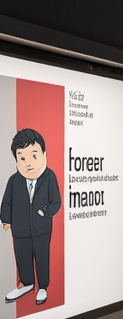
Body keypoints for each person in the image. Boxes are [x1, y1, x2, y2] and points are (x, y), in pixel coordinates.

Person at [2, 128, 61, 306]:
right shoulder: (14, 180)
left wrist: (45, 211)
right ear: (17, 161)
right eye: (22, 158)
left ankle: (42, 286)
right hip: (20, 229)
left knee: (42, 257)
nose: (28, 163)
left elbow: (56, 202)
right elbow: (6, 202)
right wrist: (6, 219)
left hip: (42, 228)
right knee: (23, 257)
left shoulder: (50, 177)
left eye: (34, 156)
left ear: (44, 154)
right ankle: (27, 284)